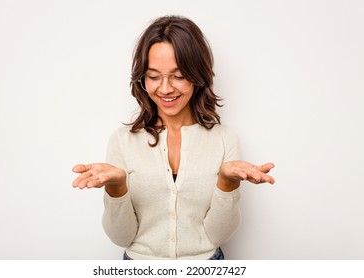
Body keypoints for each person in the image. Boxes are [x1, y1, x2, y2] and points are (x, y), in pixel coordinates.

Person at [72, 15, 275, 260]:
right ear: (142, 77)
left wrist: (227, 183)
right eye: (154, 76)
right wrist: (117, 188)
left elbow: (217, 236)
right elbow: (122, 238)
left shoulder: (225, 138)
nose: (166, 88)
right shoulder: (122, 140)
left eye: (178, 76)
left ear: (197, 75)